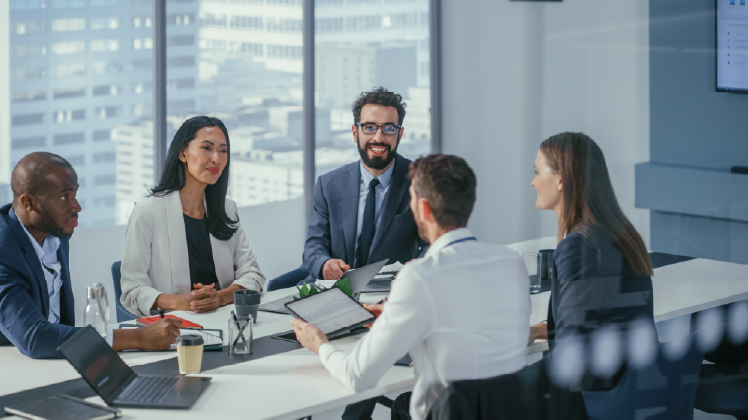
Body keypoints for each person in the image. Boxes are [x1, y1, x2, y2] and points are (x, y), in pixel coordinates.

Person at [291, 154, 531, 420]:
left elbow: (357, 376)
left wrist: (320, 344)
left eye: (413, 199)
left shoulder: (419, 277)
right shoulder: (511, 262)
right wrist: (397, 316)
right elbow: (468, 331)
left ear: (425, 209)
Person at [0, 152, 182, 359]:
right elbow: (35, 338)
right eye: (64, 197)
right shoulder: (4, 251)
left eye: (75, 194)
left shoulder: (54, 234)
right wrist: (138, 337)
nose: (77, 207)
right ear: (28, 203)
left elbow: (57, 325)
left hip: (57, 360)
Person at [525, 132, 655, 414]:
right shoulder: (620, 234)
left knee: (473, 393)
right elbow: (596, 325)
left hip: (590, 400)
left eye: (537, 172)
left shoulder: (579, 247)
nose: (533, 182)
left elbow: (573, 356)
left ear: (560, 179)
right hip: (626, 393)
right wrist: (537, 331)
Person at [120, 116, 266, 317]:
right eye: (206, 148)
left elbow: (253, 275)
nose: (216, 158)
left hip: (226, 319)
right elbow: (132, 291)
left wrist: (219, 297)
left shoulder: (227, 209)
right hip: (173, 327)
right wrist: (182, 302)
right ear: (183, 153)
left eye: (223, 150)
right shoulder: (147, 212)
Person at [299, 86, 427, 285]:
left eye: (388, 128)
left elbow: (433, 244)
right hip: (337, 292)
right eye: (369, 127)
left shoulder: (421, 181)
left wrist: (419, 266)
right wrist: (324, 264)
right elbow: (314, 245)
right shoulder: (329, 184)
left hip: (395, 293)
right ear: (355, 132)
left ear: (399, 134)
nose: (378, 138)